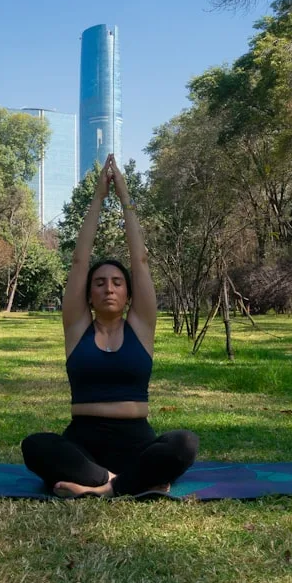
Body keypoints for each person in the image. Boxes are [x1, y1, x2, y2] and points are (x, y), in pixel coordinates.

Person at [21, 154, 199, 497]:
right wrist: (98, 199)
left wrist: (126, 198)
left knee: (185, 443)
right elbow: (79, 260)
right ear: (88, 294)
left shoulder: (141, 327)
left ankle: (102, 488)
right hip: (83, 443)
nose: (109, 288)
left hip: (137, 439)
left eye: (117, 282)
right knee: (35, 445)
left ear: (129, 293)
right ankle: (128, 482)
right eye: (100, 283)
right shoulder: (76, 327)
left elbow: (141, 260)